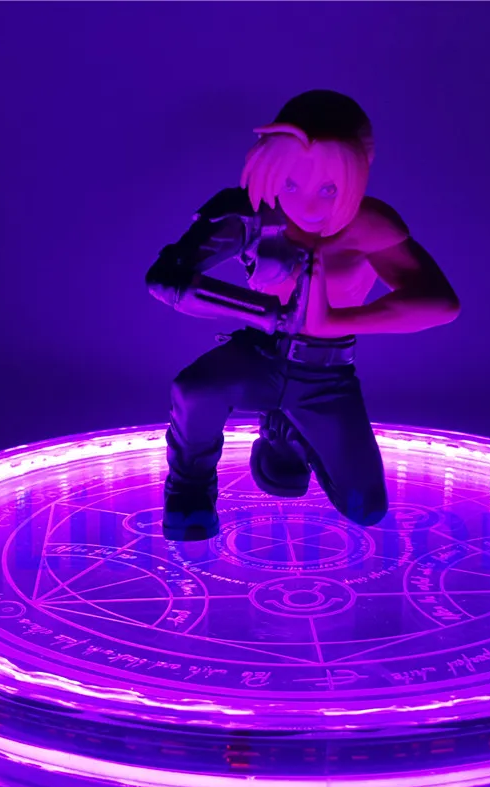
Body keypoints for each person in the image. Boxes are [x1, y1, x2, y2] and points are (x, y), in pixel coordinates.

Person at [146, 90, 459, 541]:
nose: (309, 207)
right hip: (261, 355)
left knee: (366, 507)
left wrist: (335, 321)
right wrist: (270, 314)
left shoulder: (369, 226)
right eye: (291, 185)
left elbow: (440, 303)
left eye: (329, 189)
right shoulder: (251, 215)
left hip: (328, 376)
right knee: (194, 390)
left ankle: (287, 432)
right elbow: (165, 279)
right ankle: (189, 487)